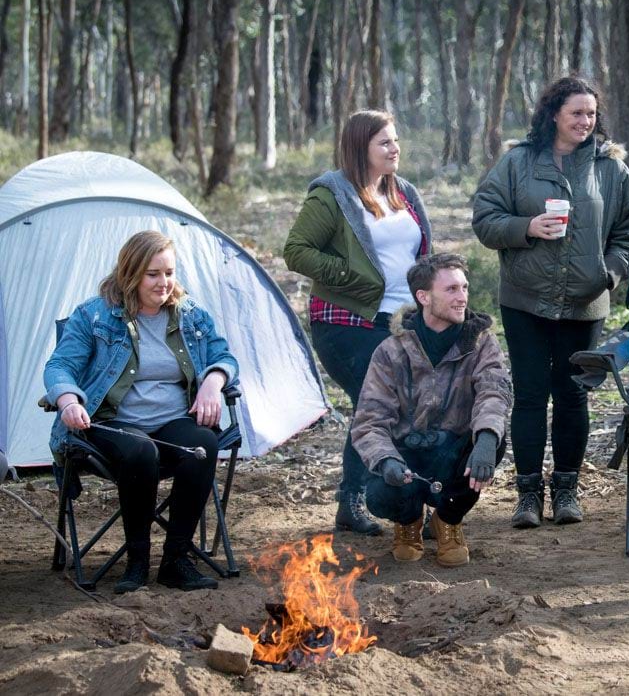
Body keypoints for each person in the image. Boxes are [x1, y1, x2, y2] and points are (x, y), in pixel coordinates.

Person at [472, 76, 629, 529]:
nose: (585, 122)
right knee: (530, 396)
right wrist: (526, 228)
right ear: (553, 114)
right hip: (525, 300)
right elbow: (485, 218)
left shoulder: (610, 167)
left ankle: (566, 490)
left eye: (591, 114)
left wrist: (606, 273)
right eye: (576, 113)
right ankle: (527, 495)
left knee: (572, 396)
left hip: (584, 302)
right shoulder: (517, 161)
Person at [43, 231, 239, 593]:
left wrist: (214, 380)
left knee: (202, 445)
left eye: (169, 272)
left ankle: (176, 560)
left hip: (172, 421)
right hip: (111, 423)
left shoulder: (191, 315)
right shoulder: (95, 315)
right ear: (130, 273)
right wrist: (68, 400)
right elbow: (59, 367)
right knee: (140, 452)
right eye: (153, 274)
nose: (164, 283)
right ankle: (136, 562)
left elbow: (223, 356)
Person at [284, 110, 432, 536]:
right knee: (375, 402)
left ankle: (403, 495)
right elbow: (296, 250)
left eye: (396, 140)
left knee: (402, 405)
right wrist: (352, 275)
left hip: (403, 322)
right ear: (360, 147)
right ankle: (354, 501)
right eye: (384, 142)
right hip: (347, 322)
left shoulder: (404, 193)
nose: (395, 148)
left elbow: (422, 253)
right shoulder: (332, 195)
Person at [350, 253, 512, 567]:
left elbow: (493, 392)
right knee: (380, 493)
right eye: (451, 289)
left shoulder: (480, 343)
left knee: (491, 442)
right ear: (424, 297)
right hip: (407, 456)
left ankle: (447, 521)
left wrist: (487, 439)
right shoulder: (392, 351)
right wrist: (387, 462)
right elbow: (369, 419)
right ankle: (409, 521)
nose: (462, 297)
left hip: (453, 452)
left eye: (464, 287)